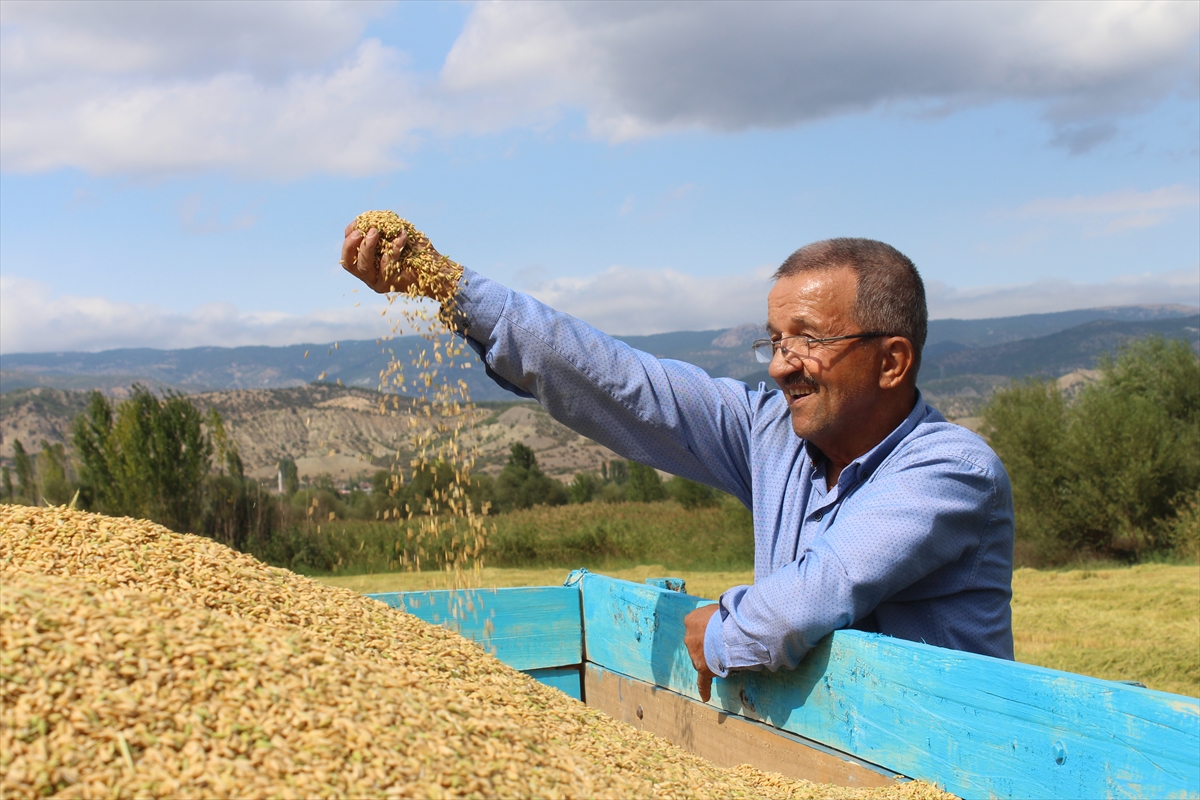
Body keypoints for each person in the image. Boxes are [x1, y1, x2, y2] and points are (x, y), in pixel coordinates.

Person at [341, 223, 1015, 701]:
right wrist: (448, 285)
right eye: (774, 341)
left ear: (892, 361)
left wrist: (722, 629)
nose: (781, 366)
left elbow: (806, 600)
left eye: (808, 340)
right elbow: (617, 380)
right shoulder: (772, 434)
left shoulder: (951, 471)